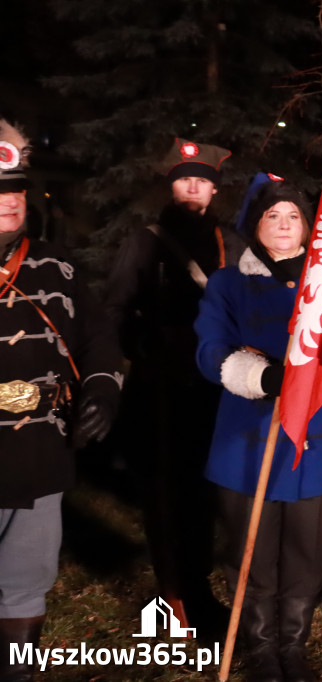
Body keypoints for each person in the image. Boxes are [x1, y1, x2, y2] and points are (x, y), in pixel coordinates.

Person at [194, 176, 322, 682]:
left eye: (293, 216)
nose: (283, 225)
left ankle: (293, 647)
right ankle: (261, 651)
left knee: (308, 553)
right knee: (250, 555)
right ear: (256, 226)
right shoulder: (228, 284)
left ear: (308, 227)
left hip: (314, 444)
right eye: (272, 216)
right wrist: (260, 375)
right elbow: (209, 348)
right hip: (248, 442)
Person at [105, 138, 245, 635]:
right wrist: (149, 344)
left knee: (205, 495)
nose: (193, 185)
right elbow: (116, 310)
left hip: (215, 390)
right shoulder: (145, 240)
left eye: (201, 179)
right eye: (184, 177)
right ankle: (173, 598)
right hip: (160, 391)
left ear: (213, 189)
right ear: (173, 184)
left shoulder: (231, 243)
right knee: (165, 496)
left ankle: (200, 588)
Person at [0, 120, 122, 680]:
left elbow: (98, 338)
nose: (8, 204)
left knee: (26, 573)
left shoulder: (58, 264)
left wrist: (100, 387)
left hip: (39, 447)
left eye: (15, 192)